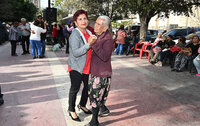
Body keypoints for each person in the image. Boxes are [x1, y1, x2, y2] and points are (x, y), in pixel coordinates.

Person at [67, 10, 96, 122]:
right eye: (80, 19)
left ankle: (82, 104)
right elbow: (76, 52)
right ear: (75, 22)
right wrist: (89, 44)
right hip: (76, 67)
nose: (83, 21)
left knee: (87, 88)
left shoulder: (88, 32)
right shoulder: (75, 34)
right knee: (75, 88)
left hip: (88, 66)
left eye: (85, 18)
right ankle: (71, 109)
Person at [85, 15, 113, 126]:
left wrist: (94, 43)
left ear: (105, 28)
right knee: (96, 96)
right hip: (96, 71)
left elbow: (105, 56)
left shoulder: (108, 39)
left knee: (95, 97)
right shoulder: (99, 35)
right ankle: (104, 110)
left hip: (101, 74)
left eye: (98, 24)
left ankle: (94, 122)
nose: (95, 25)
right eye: (95, 23)